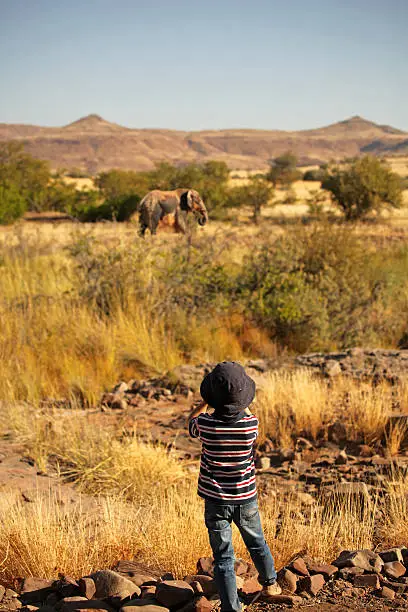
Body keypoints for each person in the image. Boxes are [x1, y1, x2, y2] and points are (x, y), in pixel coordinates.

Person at [187, 361, 281, 612]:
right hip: (245, 498)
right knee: (257, 541)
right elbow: (246, 411)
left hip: (215, 501)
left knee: (223, 557)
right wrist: (237, 399)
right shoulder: (251, 426)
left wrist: (204, 402)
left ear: (211, 397)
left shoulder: (205, 425)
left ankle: (231, 607)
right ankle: (270, 582)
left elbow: (191, 423)